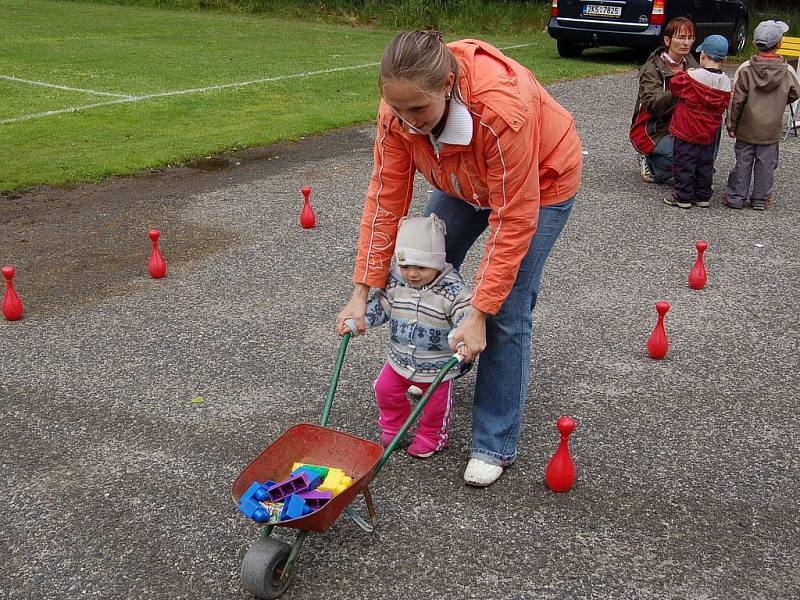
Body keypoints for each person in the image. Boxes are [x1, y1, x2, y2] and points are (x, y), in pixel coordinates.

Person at [336, 31, 582, 487]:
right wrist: (361, 291)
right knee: (419, 269)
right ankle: (441, 362)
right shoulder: (398, 113)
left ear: (448, 85)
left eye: (418, 111)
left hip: (541, 182)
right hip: (462, 180)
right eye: (398, 110)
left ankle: (494, 441)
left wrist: (480, 311)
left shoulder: (500, 111)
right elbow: (386, 198)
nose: (408, 124)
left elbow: (512, 218)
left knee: (505, 310)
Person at [356, 214, 472, 458]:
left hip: (437, 365)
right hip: (399, 360)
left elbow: (466, 313)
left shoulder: (452, 290)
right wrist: (362, 319)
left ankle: (431, 437)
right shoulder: (397, 282)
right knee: (384, 389)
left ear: (438, 263)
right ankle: (394, 425)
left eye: (421, 267)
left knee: (435, 406)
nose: (412, 274)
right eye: (406, 266)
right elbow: (383, 304)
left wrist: (463, 338)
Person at [724, 20, 800, 210]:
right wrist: (780, 101)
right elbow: (795, 92)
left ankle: (735, 197)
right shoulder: (787, 71)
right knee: (766, 164)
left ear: (754, 43)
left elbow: (736, 101)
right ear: (780, 44)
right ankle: (760, 198)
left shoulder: (746, 69)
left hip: (747, 127)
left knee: (743, 162)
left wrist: (731, 124)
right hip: (771, 128)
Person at [664, 34, 731, 209]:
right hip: (709, 133)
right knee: (705, 164)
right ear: (724, 58)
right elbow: (723, 104)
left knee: (684, 163)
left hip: (686, 130)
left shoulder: (692, 78)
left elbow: (675, 85)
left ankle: (683, 196)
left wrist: (687, 72)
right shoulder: (725, 83)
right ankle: (702, 195)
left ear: (703, 55)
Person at [630, 17, 699, 184]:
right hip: (655, 129)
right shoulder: (652, 69)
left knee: (710, 134)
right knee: (684, 161)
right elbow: (652, 106)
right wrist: (678, 87)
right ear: (667, 40)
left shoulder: (692, 63)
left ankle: (699, 167)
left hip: (683, 126)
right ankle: (653, 168)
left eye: (690, 38)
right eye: (681, 38)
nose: (686, 43)